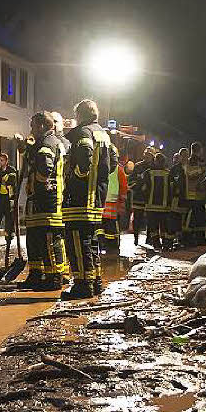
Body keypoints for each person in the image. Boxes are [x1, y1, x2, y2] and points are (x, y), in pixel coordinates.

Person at [62, 99, 117, 299]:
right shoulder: (104, 134)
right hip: (96, 196)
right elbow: (113, 162)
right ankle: (95, 281)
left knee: (77, 240)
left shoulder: (84, 133)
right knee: (91, 239)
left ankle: (82, 285)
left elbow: (84, 158)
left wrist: (77, 176)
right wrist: (98, 179)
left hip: (80, 197)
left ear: (81, 115)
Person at [18, 111, 68, 291]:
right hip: (39, 201)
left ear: (41, 126)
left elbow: (45, 169)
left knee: (49, 240)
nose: (31, 129)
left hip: (46, 201)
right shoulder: (46, 143)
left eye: (33, 126)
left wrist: (38, 183)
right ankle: (36, 274)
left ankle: (55, 277)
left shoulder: (48, 144)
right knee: (34, 239)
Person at [143, 152, 171, 250]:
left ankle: (156, 244)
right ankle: (166, 244)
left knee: (153, 227)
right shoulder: (168, 173)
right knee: (164, 227)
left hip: (151, 206)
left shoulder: (148, 173)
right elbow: (172, 189)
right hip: (165, 207)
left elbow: (144, 188)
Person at [100, 157, 128, 255]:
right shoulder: (118, 169)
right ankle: (112, 246)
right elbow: (124, 186)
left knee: (102, 226)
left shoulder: (99, 166)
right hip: (112, 202)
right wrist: (122, 201)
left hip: (101, 201)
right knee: (111, 226)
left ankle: (104, 245)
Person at [182, 141, 206, 244]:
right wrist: (201, 170)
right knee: (191, 218)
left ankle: (200, 238)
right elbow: (189, 173)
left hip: (200, 195)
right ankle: (188, 238)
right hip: (191, 195)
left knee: (200, 218)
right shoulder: (189, 161)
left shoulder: (201, 161)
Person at [129, 147, 154, 247]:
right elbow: (131, 181)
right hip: (138, 197)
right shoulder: (138, 166)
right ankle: (136, 238)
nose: (147, 156)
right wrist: (138, 187)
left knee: (150, 220)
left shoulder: (155, 167)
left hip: (150, 197)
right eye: (146, 154)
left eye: (150, 155)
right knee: (137, 219)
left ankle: (149, 238)